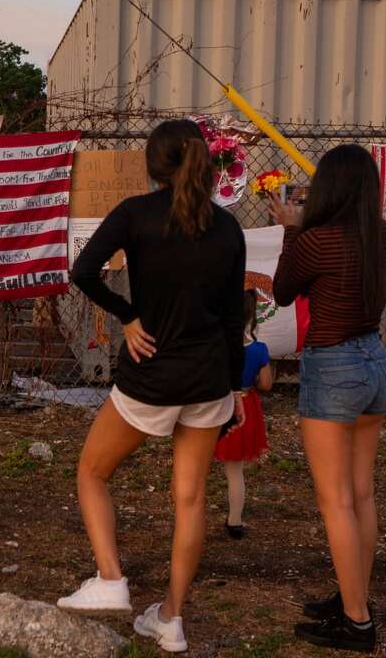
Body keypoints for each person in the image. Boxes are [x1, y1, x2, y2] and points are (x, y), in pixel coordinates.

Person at [60, 119, 246, 654]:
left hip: (151, 377)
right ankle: (171, 617)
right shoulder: (227, 228)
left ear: (154, 164)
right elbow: (234, 318)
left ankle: (111, 579)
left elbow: (84, 271)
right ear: (204, 162)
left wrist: (128, 315)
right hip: (209, 380)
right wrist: (233, 387)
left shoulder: (135, 214)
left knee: (93, 471)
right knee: (189, 500)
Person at [267, 144, 386, 653]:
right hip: (375, 362)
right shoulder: (382, 235)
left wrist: (290, 228)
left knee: (336, 501)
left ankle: (357, 622)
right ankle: (354, 596)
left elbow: (281, 292)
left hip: (334, 365)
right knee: (361, 494)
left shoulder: (316, 240)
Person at [214, 279, 274, 540]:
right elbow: (266, 384)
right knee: (234, 470)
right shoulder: (259, 350)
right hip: (245, 406)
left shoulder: (219, 344)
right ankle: (235, 521)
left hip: (217, 405)